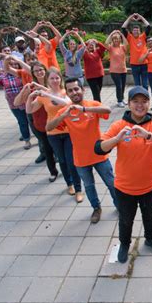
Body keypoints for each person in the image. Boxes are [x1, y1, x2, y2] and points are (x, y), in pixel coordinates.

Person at [95, 86, 152, 263]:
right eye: (135, 101)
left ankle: (150, 238)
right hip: (125, 187)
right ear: (129, 104)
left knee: (149, 215)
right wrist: (117, 139)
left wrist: (148, 135)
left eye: (144, 101)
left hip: (150, 185)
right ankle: (124, 244)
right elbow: (98, 148)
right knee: (126, 219)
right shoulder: (119, 126)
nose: (140, 105)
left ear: (148, 103)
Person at [46, 78, 119, 224]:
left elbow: (108, 110)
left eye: (76, 89)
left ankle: (120, 205)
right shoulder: (64, 111)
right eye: (70, 90)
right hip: (80, 158)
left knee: (111, 183)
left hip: (99, 154)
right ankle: (96, 208)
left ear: (82, 89)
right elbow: (48, 127)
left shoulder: (92, 105)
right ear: (67, 93)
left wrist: (84, 109)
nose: (74, 92)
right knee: (89, 186)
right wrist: (63, 115)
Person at [27, 67, 83, 202]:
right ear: (47, 79)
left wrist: (48, 94)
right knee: (62, 160)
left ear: (60, 79)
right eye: (52, 78)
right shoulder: (42, 96)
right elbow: (29, 110)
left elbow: (67, 103)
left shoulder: (66, 92)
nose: (55, 80)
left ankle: (78, 188)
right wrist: (29, 96)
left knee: (71, 161)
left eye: (57, 78)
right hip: (53, 133)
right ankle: (69, 184)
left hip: (69, 131)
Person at [0, 56, 31, 150]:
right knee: (22, 122)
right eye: (11, 64)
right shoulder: (3, 76)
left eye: (15, 64)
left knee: (31, 121)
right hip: (14, 104)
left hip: (26, 102)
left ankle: (39, 139)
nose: (14, 66)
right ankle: (27, 140)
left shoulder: (22, 74)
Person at [122, 13, 150, 89]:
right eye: (134, 30)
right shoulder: (130, 37)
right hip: (134, 64)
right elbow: (123, 27)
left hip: (144, 64)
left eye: (137, 30)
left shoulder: (143, 36)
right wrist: (130, 17)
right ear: (132, 31)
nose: (135, 31)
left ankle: (145, 98)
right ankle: (138, 99)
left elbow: (148, 26)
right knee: (137, 85)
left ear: (140, 31)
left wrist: (141, 17)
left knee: (145, 84)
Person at [106, 30, 128, 107]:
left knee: (123, 86)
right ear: (112, 40)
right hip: (114, 71)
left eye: (117, 38)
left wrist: (121, 34)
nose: (116, 40)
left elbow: (126, 43)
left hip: (123, 70)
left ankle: (122, 98)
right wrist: (111, 33)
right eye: (114, 39)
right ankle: (119, 100)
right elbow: (106, 43)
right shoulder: (111, 48)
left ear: (120, 39)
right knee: (119, 86)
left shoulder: (122, 47)